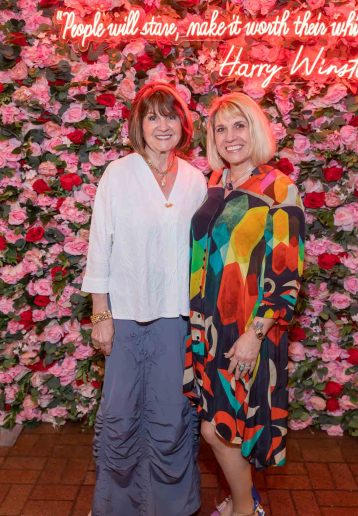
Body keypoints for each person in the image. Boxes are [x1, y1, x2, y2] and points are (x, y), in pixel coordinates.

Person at [81, 81, 207, 516]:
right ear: (138, 124)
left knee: (172, 417)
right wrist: (101, 314)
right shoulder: (118, 174)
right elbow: (100, 243)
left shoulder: (195, 180)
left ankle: (171, 506)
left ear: (183, 124)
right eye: (152, 116)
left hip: (177, 318)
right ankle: (117, 507)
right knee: (119, 417)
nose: (162, 125)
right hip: (127, 315)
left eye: (170, 115)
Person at [184, 92, 305, 516]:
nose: (230, 136)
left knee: (219, 430)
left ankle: (244, 509)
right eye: (220, 128)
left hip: (245, 331)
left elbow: (287, 272)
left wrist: (256, 334)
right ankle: (243, 499)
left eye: (239, 126)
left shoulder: (279, 187)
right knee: (220, 426)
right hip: (206, 327)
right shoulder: (215, 184)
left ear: (255, 131)